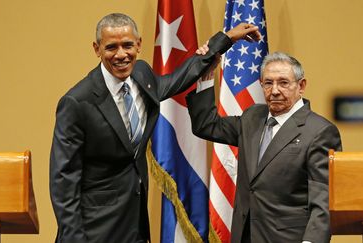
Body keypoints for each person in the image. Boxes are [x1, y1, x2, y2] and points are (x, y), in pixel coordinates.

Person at [49, 13, 261, 243]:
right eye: (111, 47)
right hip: (94, 231)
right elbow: (63, 182)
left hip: (135, 226)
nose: (121, 54)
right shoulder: (76, 103)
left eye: (128, 45)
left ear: (139, 45)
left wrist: (226, 39)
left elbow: (178, 78)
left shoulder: (142, 75)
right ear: (96, 48)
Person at [186, 51, 342, 243]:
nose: (275, 90)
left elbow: (323, 201)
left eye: (283, 82)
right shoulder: (252, 117)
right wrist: (206, 76)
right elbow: (206, 125)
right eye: (268, 83)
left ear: (301, 86)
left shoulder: (320, 132)